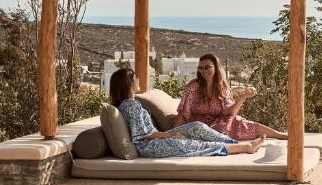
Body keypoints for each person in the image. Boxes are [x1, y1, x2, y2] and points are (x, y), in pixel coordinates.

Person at [109, 67, 264, 157]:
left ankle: (235, 142)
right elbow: (142, 135)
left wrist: (169, 134)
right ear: (128, 83)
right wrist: (171, 135)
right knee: (192, 144)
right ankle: (246, 147)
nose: (139, 80)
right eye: (136, 78)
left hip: (154, 140)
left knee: (196, 126)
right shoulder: (131, 106)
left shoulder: (130, 104)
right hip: (149, 146)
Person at [174, 53, 287, 141]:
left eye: (207, 67)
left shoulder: (222, 87)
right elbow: (183, 113)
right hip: (198, 127)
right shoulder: (194, 87)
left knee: (235, 120)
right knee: (214, 129)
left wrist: (244, 97)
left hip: (217, 125)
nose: (203, 71)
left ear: (216, 67)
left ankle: (280, 136)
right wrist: (170, 133)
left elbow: (230, 112)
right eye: (201, 68)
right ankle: (236, 144)